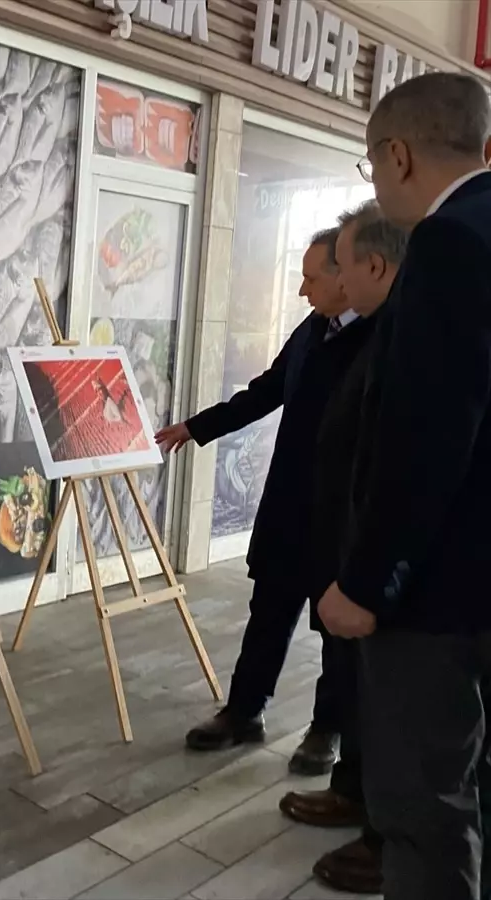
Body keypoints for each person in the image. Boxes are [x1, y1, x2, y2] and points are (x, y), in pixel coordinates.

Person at [315, 72, 491, 900]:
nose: (378, 185)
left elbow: (427, 435)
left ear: (397, 153)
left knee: (421, 812)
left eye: (372, 167)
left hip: (439, 594)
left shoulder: (452, 242)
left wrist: (366, 581)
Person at [157, 231, 353, 774]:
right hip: (290, 503)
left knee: (336, 630)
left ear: (350, 274)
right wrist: (197, 428)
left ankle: (327, 727)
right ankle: (244, 711)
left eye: (312, 278)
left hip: (342, 516)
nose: (302, 289)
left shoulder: (383, 338)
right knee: (267, 612)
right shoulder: (313, 331)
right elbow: (267, 391)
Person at [276, 200, 406, 896]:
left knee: (398, 708)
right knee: (357, 683)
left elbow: (403, 464)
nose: (328, 285)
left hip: (385, 563)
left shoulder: (410, 331)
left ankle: (391, 839)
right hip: (342, 541)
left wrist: (366, 573)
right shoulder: (356, 329)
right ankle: (356, 796)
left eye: (339, 268)